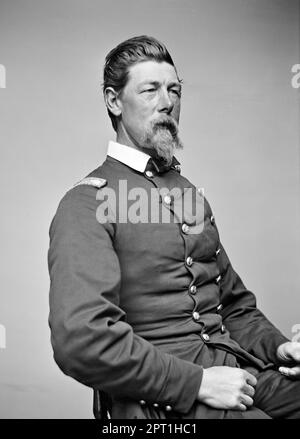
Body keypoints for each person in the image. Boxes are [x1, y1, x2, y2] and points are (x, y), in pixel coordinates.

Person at [48, 35, 300, 419]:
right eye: (150, 90)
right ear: (114, 101)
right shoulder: (86, 202)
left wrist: (278, 347)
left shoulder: (188, 194)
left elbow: (232, 306)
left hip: (239, 371)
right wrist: (197, 383)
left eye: (174, 90)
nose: (167, 102)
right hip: (161, 401)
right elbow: (82, 340)